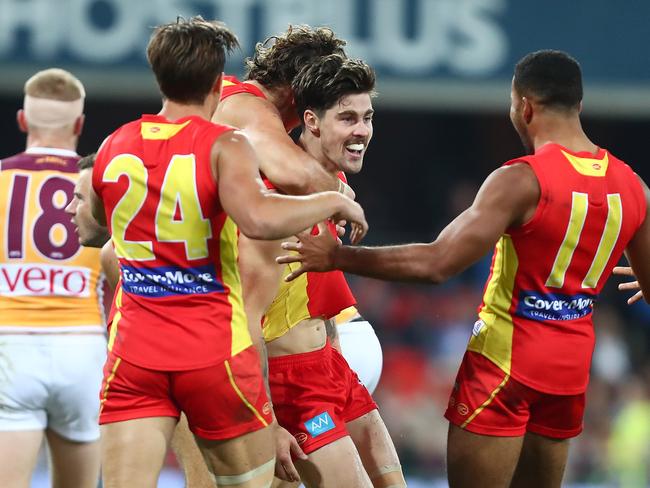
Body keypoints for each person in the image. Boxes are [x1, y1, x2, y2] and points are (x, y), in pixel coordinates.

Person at [278, 49, 650, 487]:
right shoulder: (632, 185)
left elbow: (437, 263)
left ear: (523, 106)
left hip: (504, 368)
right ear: (579, 106)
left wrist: (338, 257)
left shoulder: (522, 179)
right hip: (569, 377)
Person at [90, 17, 367, 488]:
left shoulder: (116, 143)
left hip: (138, 340)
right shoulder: (233, 129)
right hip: (206, 341)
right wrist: (339, 196)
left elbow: (104, 239)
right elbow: (269, 203)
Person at [257, 54, 404, 488]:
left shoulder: (332, 185)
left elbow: (316, 303)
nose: (362, 131)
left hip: (332, 368)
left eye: (367, 117)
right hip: (291, 387)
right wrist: (266, 421)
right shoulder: (275, 198)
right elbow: (245, 319)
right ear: (312, 122)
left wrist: (341, 370)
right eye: (347, 118)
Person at [215, 25, 384, 395]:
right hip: (290, 346)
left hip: (318, 339)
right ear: (300, 89)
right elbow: (293, 173)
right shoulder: (248, 106)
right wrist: (343, 198)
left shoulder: (240, 104)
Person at [0, 69, 105, 488]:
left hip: (10, 345)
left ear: (23, 121)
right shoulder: (100, 185)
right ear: (80, 125)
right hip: (83, 345)